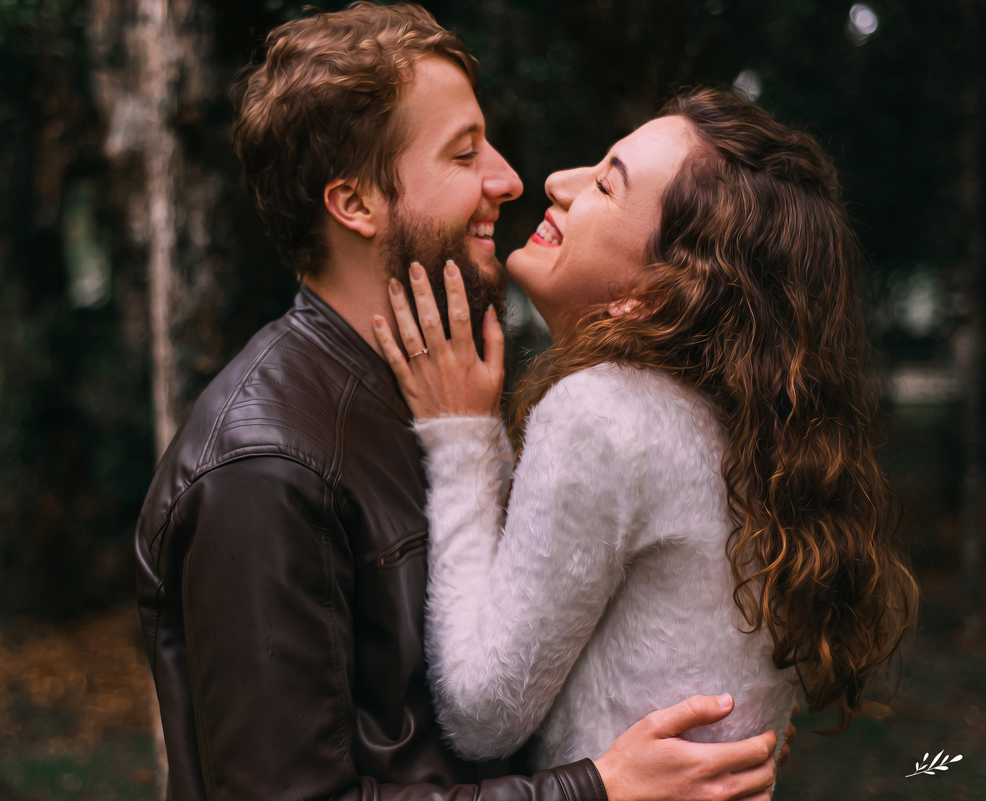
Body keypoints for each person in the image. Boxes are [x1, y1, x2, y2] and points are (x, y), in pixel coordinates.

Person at [135, 5, 785, 800]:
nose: (511, 179)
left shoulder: (443, 395)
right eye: (464, 152)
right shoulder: (265, 463)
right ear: (357, 204)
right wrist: (592, 790)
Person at [373, 88, 918, 792]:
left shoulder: (603, 414)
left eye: (605, 182)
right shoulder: (744, 424)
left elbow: (482, 713)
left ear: (656, 294)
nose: (557, 184)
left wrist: (459, 436)